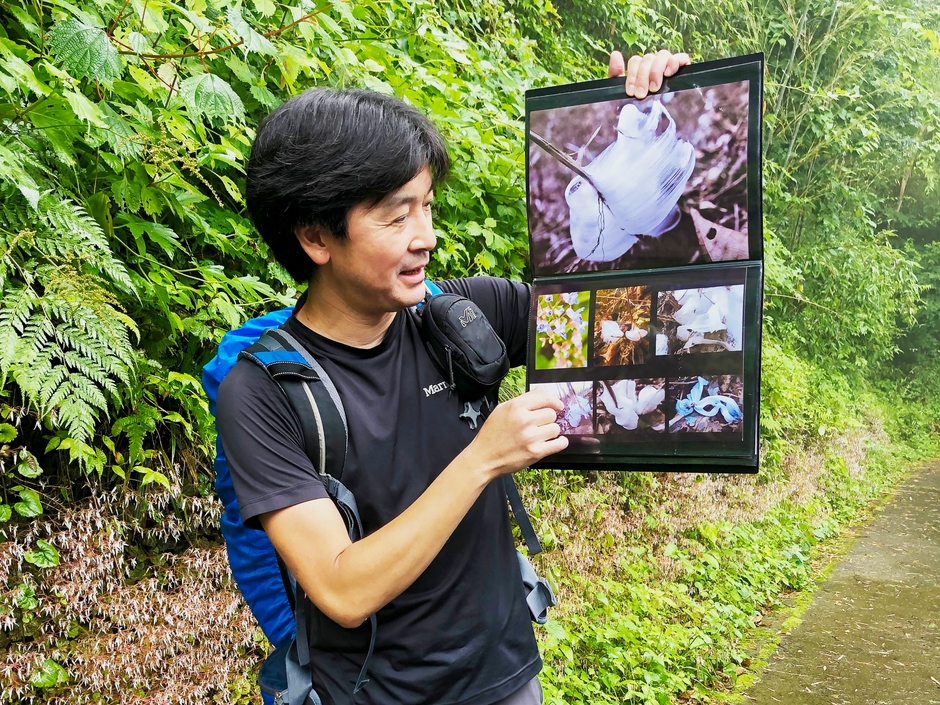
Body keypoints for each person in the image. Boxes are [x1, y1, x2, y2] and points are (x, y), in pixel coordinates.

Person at [216, 49, 690, 705]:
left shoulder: (466, 317)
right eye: (396, 213)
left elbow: (644, 322)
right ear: (315, 236)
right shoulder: (263, 391)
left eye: (428, 206)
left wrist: (633, 128)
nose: (426, 236)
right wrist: (482, 459)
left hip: (509, 681)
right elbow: (342, 588)